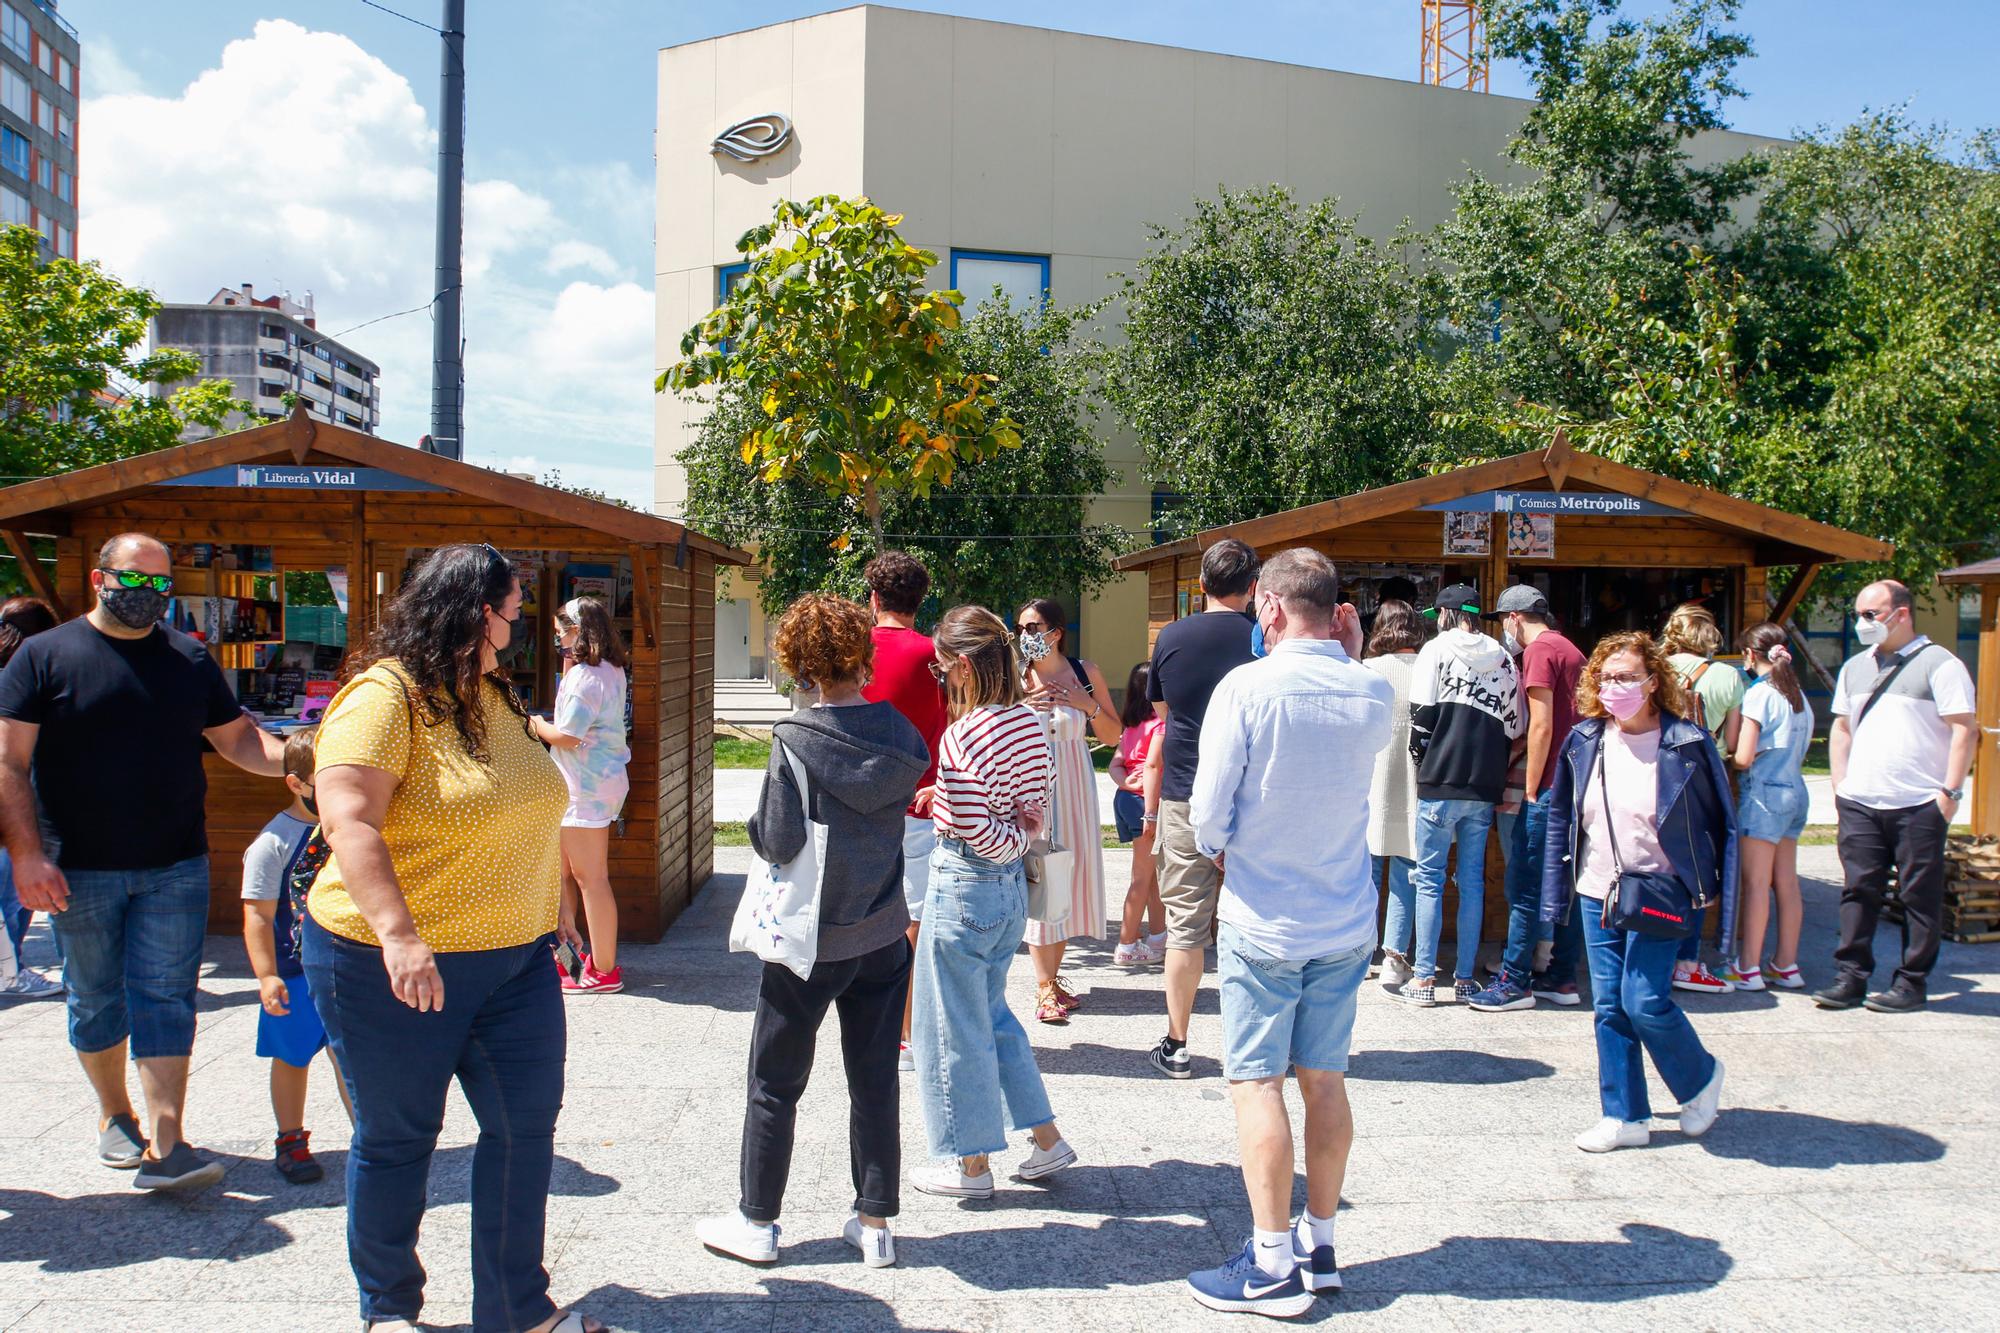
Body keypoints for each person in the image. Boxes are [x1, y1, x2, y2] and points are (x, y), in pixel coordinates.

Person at [305, 544, 603, 1333]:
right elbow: (349, 820)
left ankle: (517, 1310)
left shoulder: (491, 693)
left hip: (516, 962)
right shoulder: (384, 698)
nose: (521, 624)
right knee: (400, 1136)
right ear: (479, 611)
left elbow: (524, 805)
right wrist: (399, 936)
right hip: (392, 964)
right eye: (513, 609)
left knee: (524, 1129)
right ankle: (389, 1309)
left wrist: (558, 905)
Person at [0, 532, 287, 1191]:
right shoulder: (45, 657)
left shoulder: (187, 660)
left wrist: (308, 763)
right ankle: (115, 1113)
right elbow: (8, 763)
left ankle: (168, 1137)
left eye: (161, 586)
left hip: (175, 862)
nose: (149, 597)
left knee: (165, 996)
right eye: (135, 583)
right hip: (78, 866)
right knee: (96, 997)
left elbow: (239, 739)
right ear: (102, 580)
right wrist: (27, 855)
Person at [1183, 549, 1391, 1314]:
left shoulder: (1247, 686)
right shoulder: (1370, 690)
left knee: (1256, 1082)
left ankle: (1270, 1260)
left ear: (1268, 606)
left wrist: (1222, 847)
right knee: (1325, 1078)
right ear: (1337, 610)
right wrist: (1351, 653)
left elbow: (1210, 808)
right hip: (1342, 913)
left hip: (1265, 915)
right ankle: (1320, 1238)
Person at [698, 593, 927, 1270]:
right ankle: (876, 1223)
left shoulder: (794, 741)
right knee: (875, 1078)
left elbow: (776, 839)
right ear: (863, 655)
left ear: (798, 663)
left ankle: (758, 1221)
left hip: (808, 941)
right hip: (883, 931)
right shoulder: (903, 734)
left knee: (775, 1082)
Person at [1543, 632, 1733, 1153]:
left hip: (1659, 890)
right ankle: (1625, 1115)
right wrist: (1554, 891)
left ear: (1652, 682)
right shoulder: (1584, 740)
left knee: (1644, 999)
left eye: (1626, 677)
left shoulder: (1687, 743)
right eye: (1606, 677)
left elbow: (1718, 821)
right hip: (1596, 889)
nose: (1615, 687)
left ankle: (1699, 1077)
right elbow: (1563, 816)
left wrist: (1711, 888)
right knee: (1608, 1005)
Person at [909, 606, 1075, 1198]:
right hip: (1006, 895)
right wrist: (1016, 833)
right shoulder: (1029, 724)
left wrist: (1000, 834)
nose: (940, 677)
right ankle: (1047, 1139)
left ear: (961, 665)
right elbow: (1034, 803)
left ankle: (970, 1165)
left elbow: (981, 829)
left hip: (967, 882)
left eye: (941, 666)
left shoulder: (962, 733)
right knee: (993, 1018)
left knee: (951, 1027)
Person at [1816, 580, 1977, 1013]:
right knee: (1858, 890)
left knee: (1917, 896)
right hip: (1861, 801)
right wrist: (1840, 785)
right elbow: (1842, 728)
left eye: (1871, 614)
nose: (1862, 622)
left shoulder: (1942, 665)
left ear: (1901, 613)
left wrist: (1950, 793)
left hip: (1919, 802)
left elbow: (1964, 729)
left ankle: (1911, 982)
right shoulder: (1855, 668)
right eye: (1859, 614)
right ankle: (1850, 977)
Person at [1143, 537, 1260, 1078]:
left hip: (1186, 792)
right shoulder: (1265, 640)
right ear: (1252, 587)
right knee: (1254, 923)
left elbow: (1166, 714)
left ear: (1201, 585)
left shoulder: (1172, 636)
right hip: (1252, 798)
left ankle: (1178, 1040)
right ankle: (1253, 1039)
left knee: (1187, 927)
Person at [241, 727, 353, 1184]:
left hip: (347, 966)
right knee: (291, 1056)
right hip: (294, 973)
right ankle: (290, 1137)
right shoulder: (275, 841)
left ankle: (370, 1137)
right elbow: (257, 915)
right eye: (321, 781)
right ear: (296, 783)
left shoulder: (350, 827)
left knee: (353, 1057)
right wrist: (267, 975)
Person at [1470, 585, 1588, 1013]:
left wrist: (1533, 787)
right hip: (1577, 785)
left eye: (1503, 621)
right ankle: (1561, 977)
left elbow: (1540, 726)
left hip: (1550, 787)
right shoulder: (1571, 649)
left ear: (1515, 618)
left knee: (1524, 888)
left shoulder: (1539, 653)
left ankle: (1515, 981)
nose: (1505, 629)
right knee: (1566, 888)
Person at [1402, 584, 1521, 1005]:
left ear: (1446, 615)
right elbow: (1514, 725)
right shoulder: (1505, 658)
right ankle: (1467, 977)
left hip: (1439, 779)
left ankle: (1422, 979)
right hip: (1484, 783)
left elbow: (1419, 720)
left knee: (1430, 881)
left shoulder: (1435, 651)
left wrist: (1423, 770)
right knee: (1472, 881)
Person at [858, 551, 949, 1073]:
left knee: (858, 912)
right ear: (921, 600)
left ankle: (864, 1021)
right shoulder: (934, 657)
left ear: (873, 599)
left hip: (860, 802)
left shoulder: (854, 652)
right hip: (919, 798)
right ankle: (906, 1033)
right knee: (911, 919)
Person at [1016, 597, 1119, 1023]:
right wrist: (1022, 709)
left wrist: (1085, 703)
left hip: (1074, 789)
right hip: (1029, 790)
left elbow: (1114, 736)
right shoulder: (1014, 678)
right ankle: (1043, 988)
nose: (1025, 636)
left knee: (1065, 883)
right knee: (1042, 880)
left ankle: (1053, 978)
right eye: (1020, 628)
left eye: (1033, 627)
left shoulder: (1084, 672)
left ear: (1056, 633)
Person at [529, 596, 631, 994]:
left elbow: (568, 736)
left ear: (580, 631)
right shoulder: (608, 668)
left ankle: (604, 970)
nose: (559, 643)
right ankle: (570, 959)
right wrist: (570, 662)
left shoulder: (587, 678)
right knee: (566, 874)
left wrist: (536, 725)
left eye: (563, 635)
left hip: (583, 789)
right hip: (590, 784)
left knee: (591, 878)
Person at [1661, 601, 1746, 994]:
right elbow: (1731, 743)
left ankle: (1649, 951)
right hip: (1700, 784)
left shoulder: (1655, 669)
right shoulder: (1728, 677)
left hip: (1654, 777)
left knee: (1652, 867)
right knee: (1696, 872)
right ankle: (1687, 961)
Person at [1726, 624, 1814, 991]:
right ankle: (1786, 964)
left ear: (1749, 654)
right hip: (1796, 789)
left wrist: (1730, 757)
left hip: (1765, 794)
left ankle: (1748, 967)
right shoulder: (1798, 695)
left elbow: (1744, 756)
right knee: (1787, 883)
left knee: (1757, 884)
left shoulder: (1760, 694)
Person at [0, 595, 61, 999]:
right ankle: (11, 968)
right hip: (14, 797)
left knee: (11, 890)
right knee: (10, 891)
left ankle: (13, 965)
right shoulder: (25, 674)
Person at [1363, 600, 1424, 986]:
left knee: (1364, 873)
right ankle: (1394, 959)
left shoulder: (1367, 671)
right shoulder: (1429, 669)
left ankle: (1358, 950)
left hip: (1371, 782)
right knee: (1406, 870)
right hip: (1416, 783)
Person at [1110, 662, 1168, 966]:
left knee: (1150, 875)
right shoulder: (1160, 724)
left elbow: (1115, 764)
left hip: (1125, 800)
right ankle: (1127, 944)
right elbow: (1152, 766)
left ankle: (1158, 937)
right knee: (1141, 877)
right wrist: (1150, 813)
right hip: (1145, 805)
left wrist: (1124, 783)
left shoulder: (1131, 725)